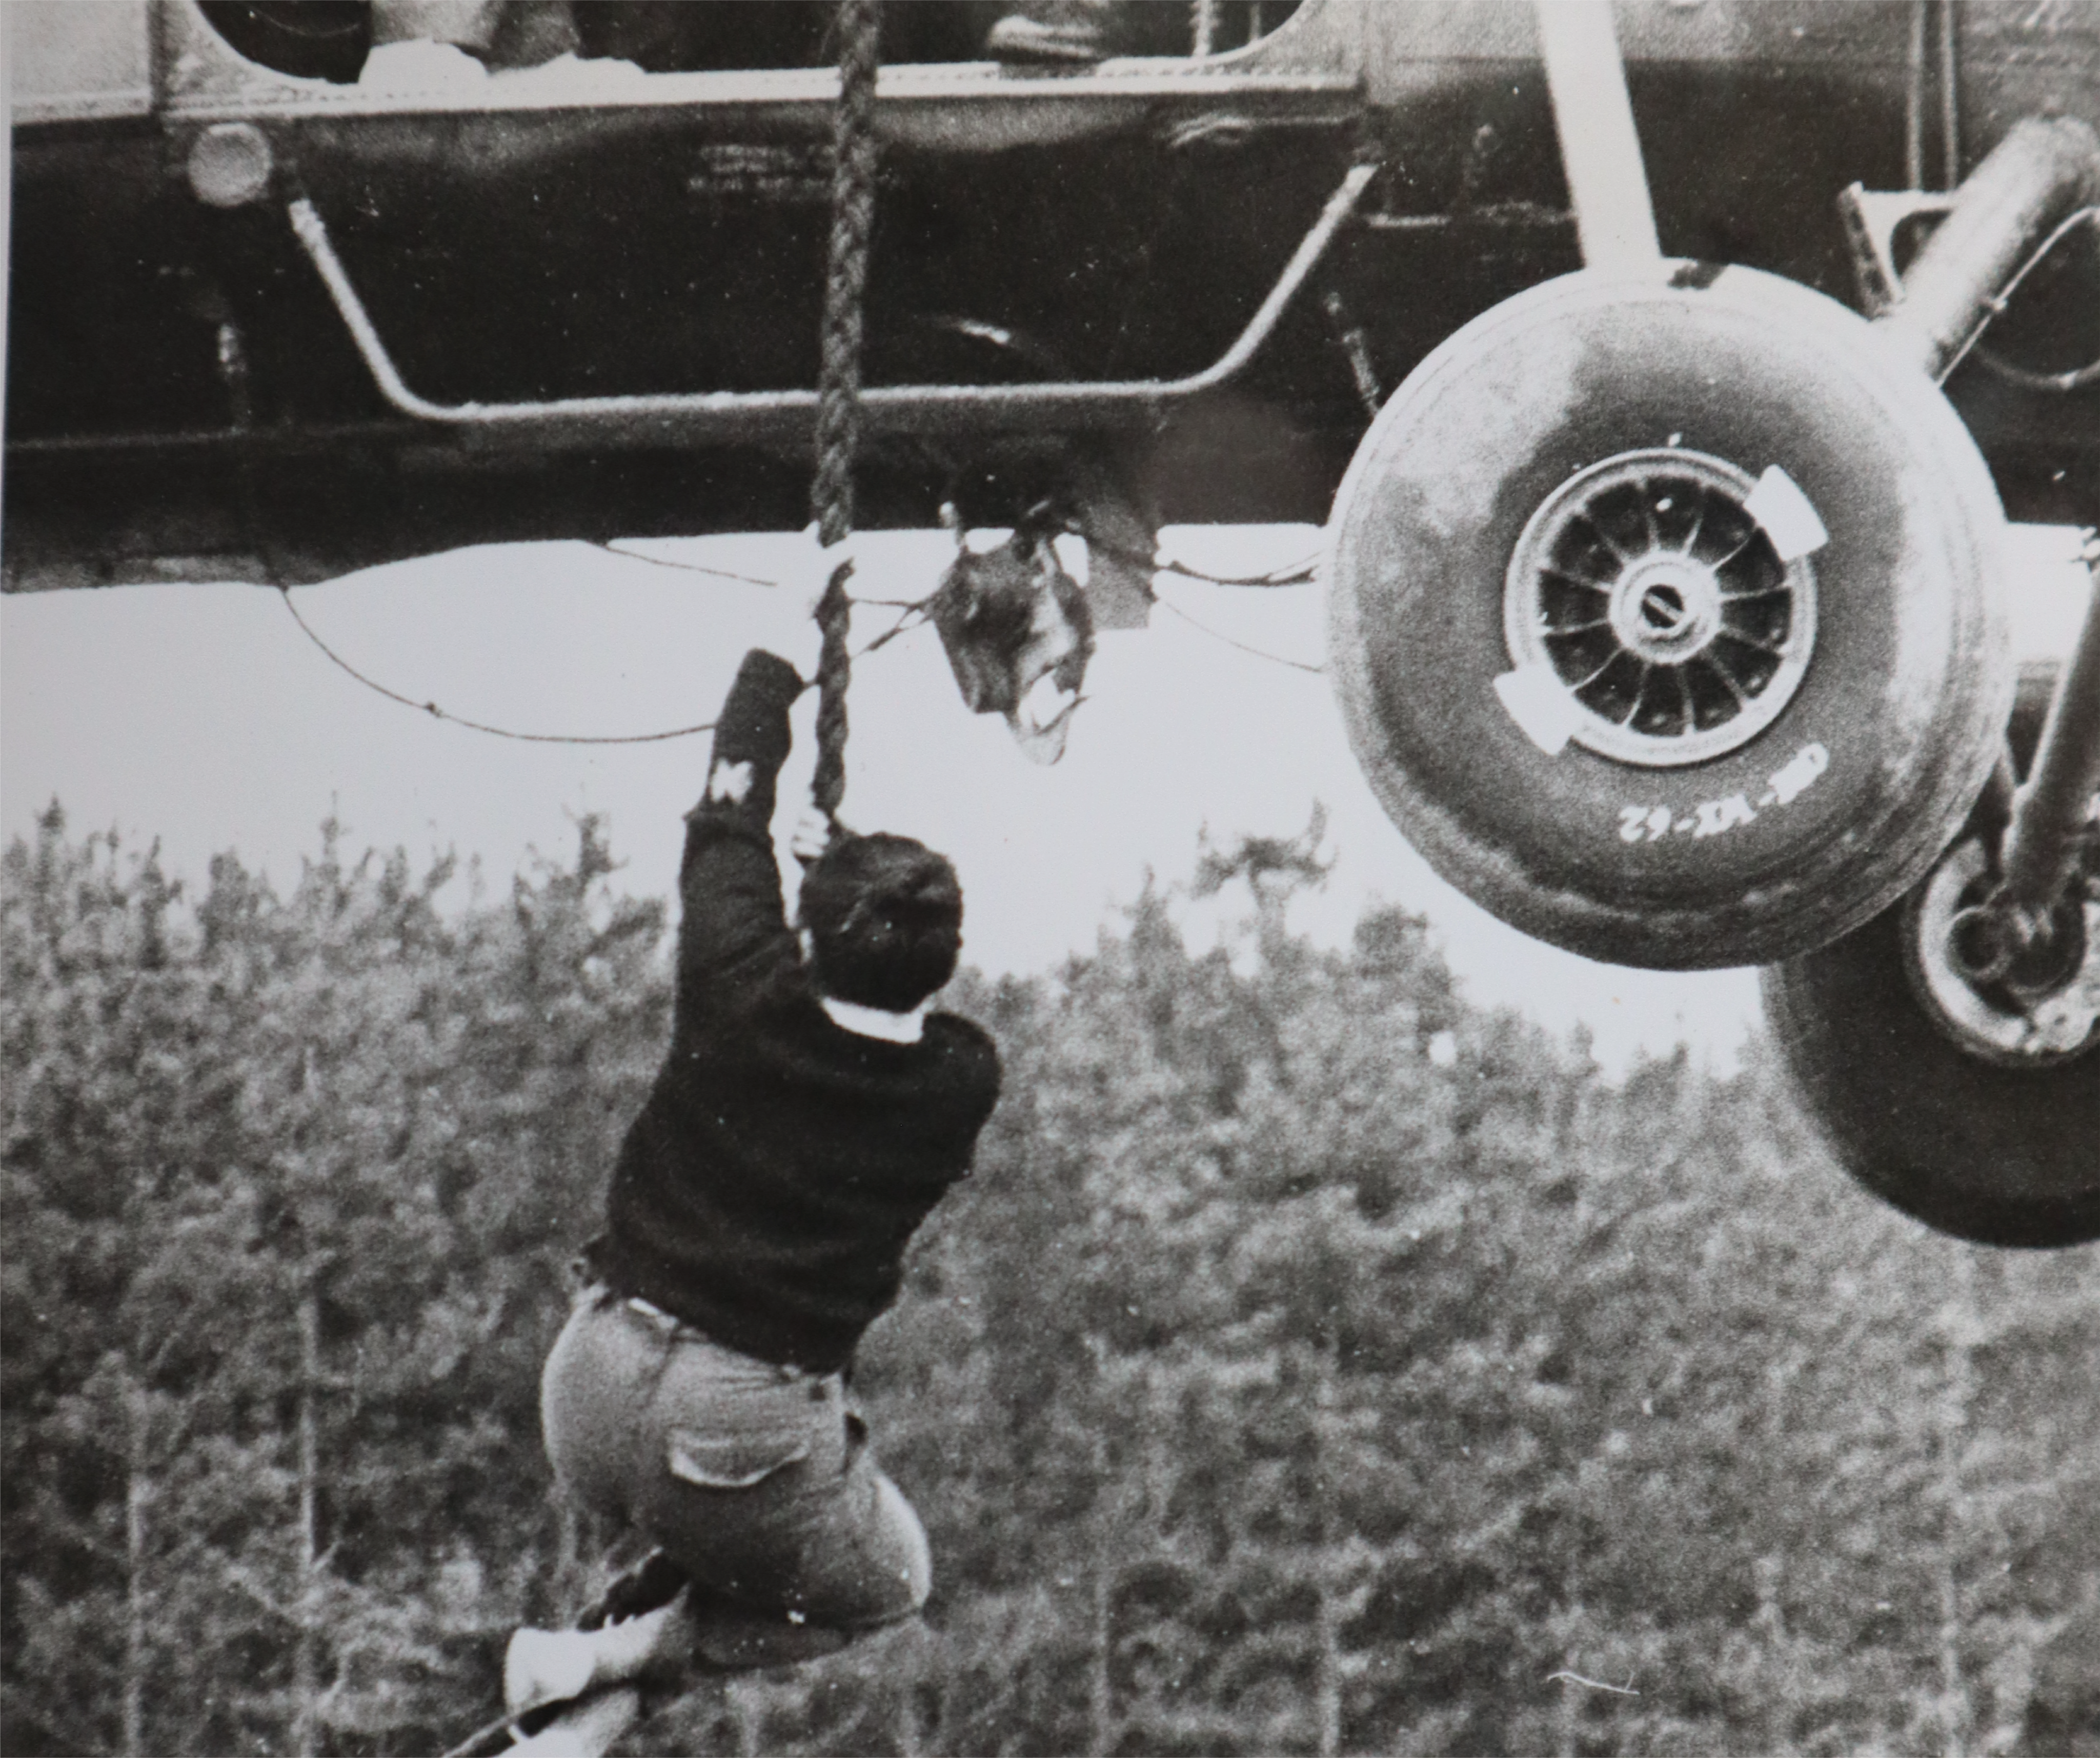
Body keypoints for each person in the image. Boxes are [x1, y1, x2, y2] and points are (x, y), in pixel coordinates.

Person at [501, 646, 1003, 1758]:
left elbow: (728, 808)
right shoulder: (958, 1080)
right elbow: (899, 1006)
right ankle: (605, 1662)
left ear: (813, 935)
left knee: (716, 1537)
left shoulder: (734, 985)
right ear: (938, 960)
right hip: (740, 1433)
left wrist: (777, 671)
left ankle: (574, 1725)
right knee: (879, 1587)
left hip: (589, 1385)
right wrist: (853, 904)